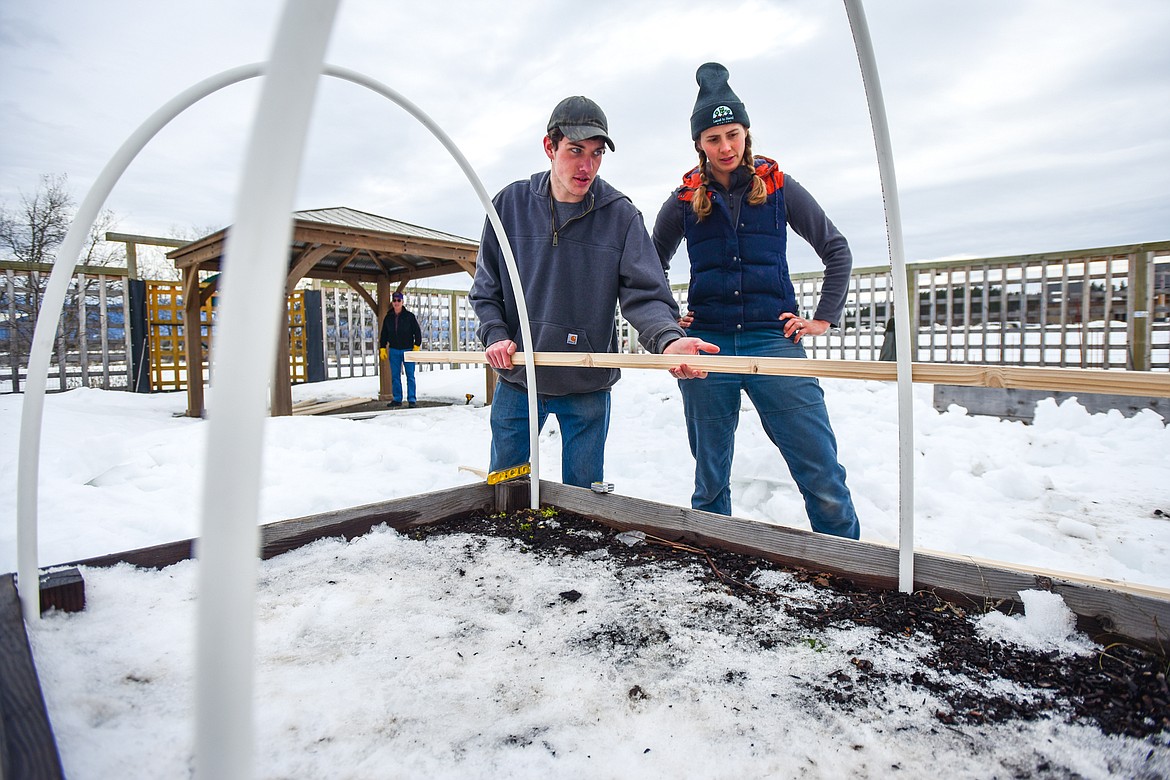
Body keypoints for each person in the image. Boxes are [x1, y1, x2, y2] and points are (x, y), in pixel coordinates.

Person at [652, 62, 860, 539]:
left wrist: (823, 319)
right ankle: (716, 560)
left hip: (774, 340)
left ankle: (849, 564)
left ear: (746, 133)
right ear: (698, 145)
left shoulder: (781, 187)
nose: (725, 147)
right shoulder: (684, 199)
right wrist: (669, 318)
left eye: (733, 134)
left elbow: (836, 248)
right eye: (712, 138)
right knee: (709, 480)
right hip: (710, 347)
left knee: (821, 472)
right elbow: (648, 265)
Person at [469, 95, 717, 488]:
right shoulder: (508, 206)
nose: (587, 167)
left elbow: (646, 294)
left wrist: (669, 341)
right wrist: (496, 335)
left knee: (583, 503)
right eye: (575, 151)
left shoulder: (620, 216)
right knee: (505, 490)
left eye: (597, 154)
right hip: (519, 380)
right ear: (549, 147)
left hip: (586, 384)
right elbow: (486, 290)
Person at [379, 291, 422, 408]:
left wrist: (416, 346)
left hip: (408, 350)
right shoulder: (388, 317)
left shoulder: (409, 317)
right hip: (394, 350)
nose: (396, 303)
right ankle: (397, 399)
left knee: (410, 376)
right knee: (395, 376)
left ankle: (412, 400)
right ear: (392, 303)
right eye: (394, 300)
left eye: (399, 300)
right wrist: (382, 347)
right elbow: (384, 334)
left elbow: (417, 332)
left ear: (402, 302)